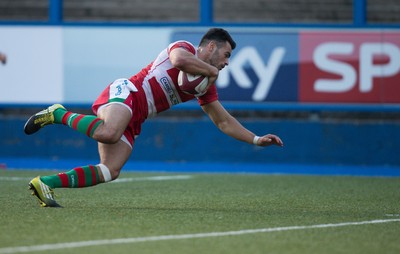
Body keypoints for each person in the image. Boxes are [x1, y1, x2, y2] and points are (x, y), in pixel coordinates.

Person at [25, 28, 284, 207]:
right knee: (108, 132)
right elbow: (179, 60)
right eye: (226, 55)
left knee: (109, 170)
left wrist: (256, 139)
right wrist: (211, 71)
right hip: (127, 92)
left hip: (138, 116)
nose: (227, 62)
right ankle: (57, 113)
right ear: (212, 46)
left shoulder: (206, 84)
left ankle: (44, 183)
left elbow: (223, 121)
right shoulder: (185, 47)